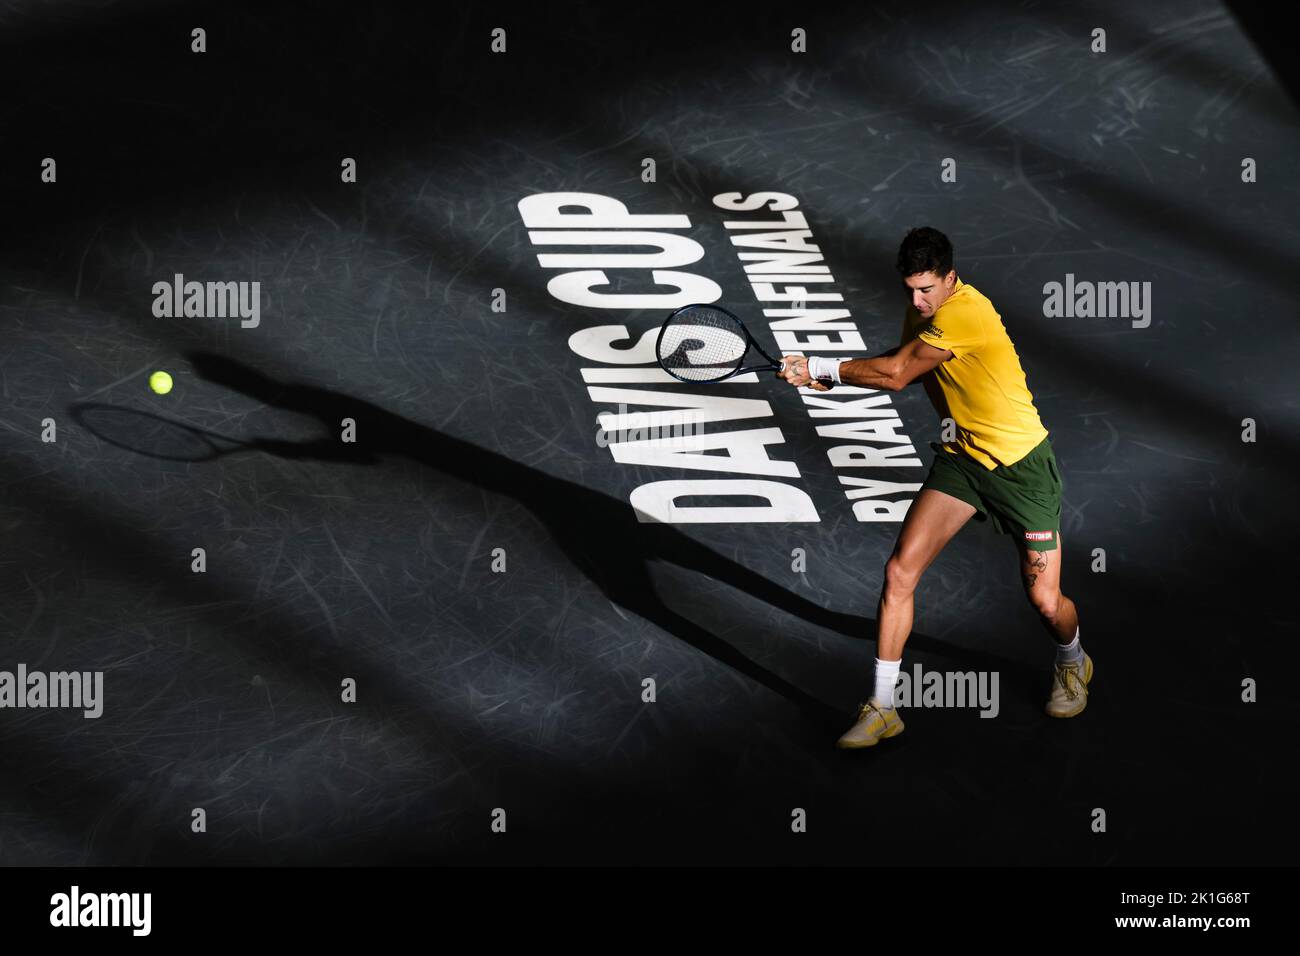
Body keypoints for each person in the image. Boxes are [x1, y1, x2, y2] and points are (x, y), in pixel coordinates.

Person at [779, 227, 1091, 748]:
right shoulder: (926, 312)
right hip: (963, 459)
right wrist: (832, 380)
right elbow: (910, 365)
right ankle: (884, 707)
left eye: (927, 288)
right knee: (900, 572)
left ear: (951, 277)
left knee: (1043, 599)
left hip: (1022, 468)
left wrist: (822, 366)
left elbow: (898, 374)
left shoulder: (966, 312)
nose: (917, 300)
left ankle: (1074, 659)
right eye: (909, 289)